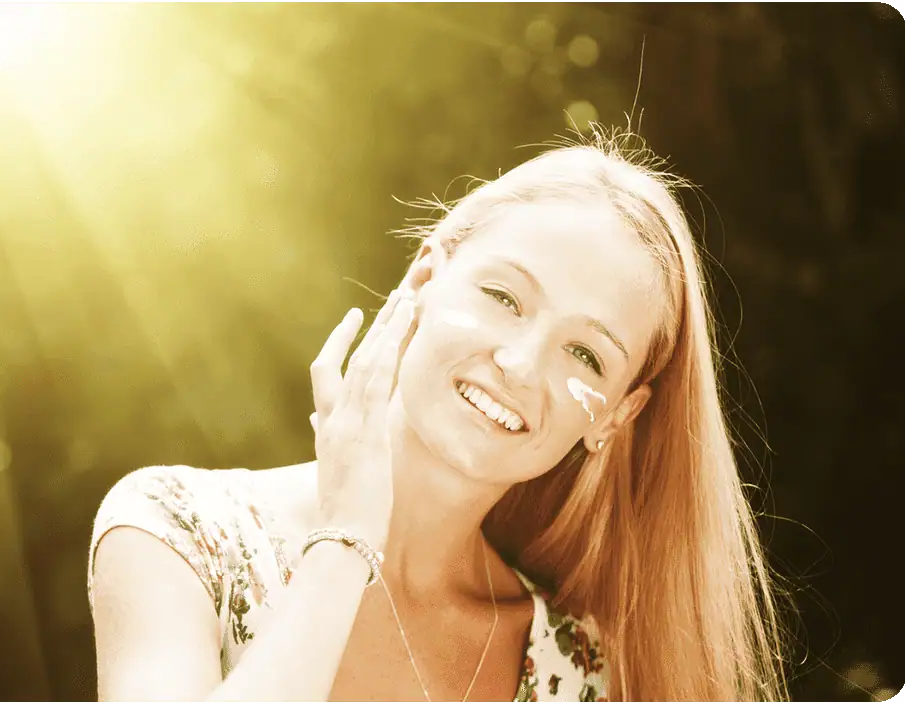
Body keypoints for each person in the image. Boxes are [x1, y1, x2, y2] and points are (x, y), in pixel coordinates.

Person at [86, 130, 790, 702]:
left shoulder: (581, 673)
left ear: (613, 416)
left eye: (583, 352)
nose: (519, 362)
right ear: (423, 278)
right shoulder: (179, 531)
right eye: (504, 297)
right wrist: (345, 541)